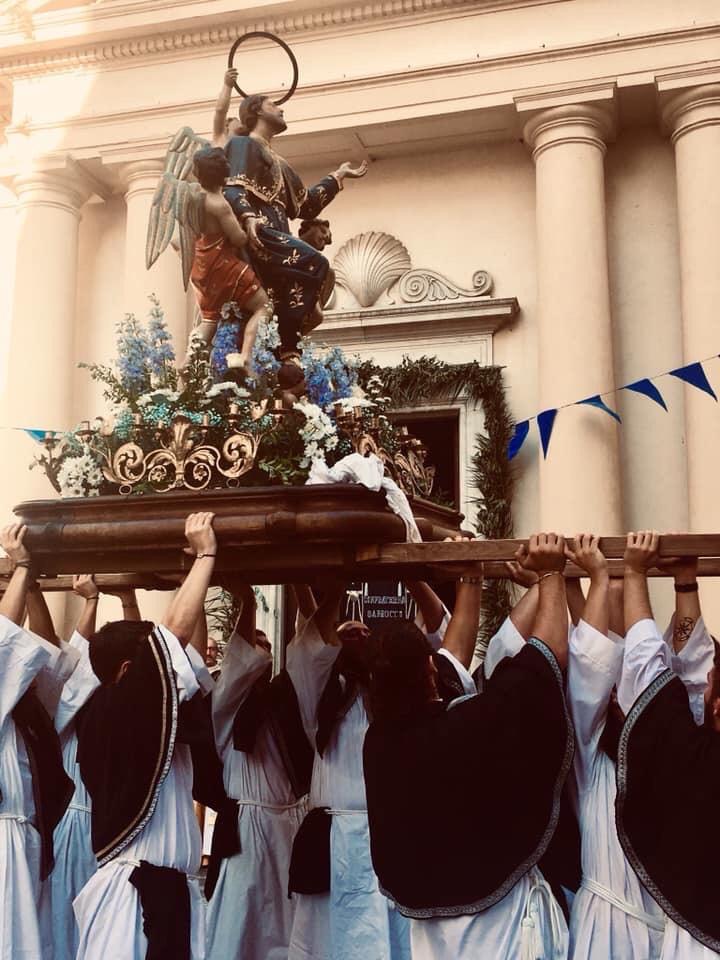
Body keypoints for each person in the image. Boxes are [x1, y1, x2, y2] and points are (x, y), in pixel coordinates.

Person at [363, 533, 573, 960]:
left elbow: (454, 654)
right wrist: (551, 573)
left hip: (431, 935)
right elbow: (545, 657)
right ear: (427, 668)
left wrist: (471, 579)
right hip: (497, 927)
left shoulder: (379, 742)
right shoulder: (469, 725)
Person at [73, 512, 219, 960]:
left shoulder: (135, 713)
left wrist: (190, 572)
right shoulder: (115, 708)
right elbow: (170, 636)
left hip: (163, 892)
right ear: (127, 673)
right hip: (133, 900)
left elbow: (181, 652)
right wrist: (206, 555)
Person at [288, 579, 453, 960]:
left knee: (397, 943)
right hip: (336, 845)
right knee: (330, 945)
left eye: (369, 637)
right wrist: (342, 581)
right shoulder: (321, 701)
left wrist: (414, 578)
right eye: (348, 635)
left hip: (394, 839)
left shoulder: (403, 706)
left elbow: (442, 638)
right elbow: (310, 644)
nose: (359, 638)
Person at [206, 582, 342, 960]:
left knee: (291, 923)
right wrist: (247, 598)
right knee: (243, 918)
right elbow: (239, 662)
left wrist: (303, 586)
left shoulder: (291, 699)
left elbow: (310, 649)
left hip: (289, 823)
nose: (259, 650)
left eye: (266, 644)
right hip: (249, 827)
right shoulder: (227, 708)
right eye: (255, 644)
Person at [616, 531, 720, 958]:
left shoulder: (696, 764)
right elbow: (692, 682)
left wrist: (635, 572)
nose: (707, 676)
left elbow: (649, 679)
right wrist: (685, 586)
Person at [564, 536, 664, 959]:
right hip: (605, 928)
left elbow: (644, 670)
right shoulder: (592, 750)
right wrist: (591, 579)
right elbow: (588, 667)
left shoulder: (669, 742)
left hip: (665, 924)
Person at [223, 95, 367, 363]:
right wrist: (248, 217)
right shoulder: (243, 145)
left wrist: (338, 176)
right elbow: (232, 188)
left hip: (280, 236)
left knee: (317, 276)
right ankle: (289, 343)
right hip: (260, 233)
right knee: (315, 262)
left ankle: (286, 345)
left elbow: (307, 206)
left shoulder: (280, 162)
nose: (281, 108)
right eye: (273, 105)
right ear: (256, 111)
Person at [46, 581, 141, 960]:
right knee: (67, 917)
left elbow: (144, 649)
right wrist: (92, 600)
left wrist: (127, 600)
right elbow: (76, 651)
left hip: (114, 829)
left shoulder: (132, 705)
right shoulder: (67, 706)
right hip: (75, 828)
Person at [0, 522, 74, 960]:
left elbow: (43, 652)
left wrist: (29, 585)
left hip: (28, 835)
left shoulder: (22, 710)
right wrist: (23, 567)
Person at [185, 146, 273, 378]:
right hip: (222, 264)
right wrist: (250, 224)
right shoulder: (219, 204)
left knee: (209, 318)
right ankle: (245, 357)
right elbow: (238, 238)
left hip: (200, 264)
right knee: (264, 306)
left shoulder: (191, 198)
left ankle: (186, 364)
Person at [212, 68, 242, 147]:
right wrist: (227, 86)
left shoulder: (251, 142)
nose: (240, 121)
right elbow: (220, 110)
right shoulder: (221, 139)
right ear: (226, 126)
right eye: (234, 119)